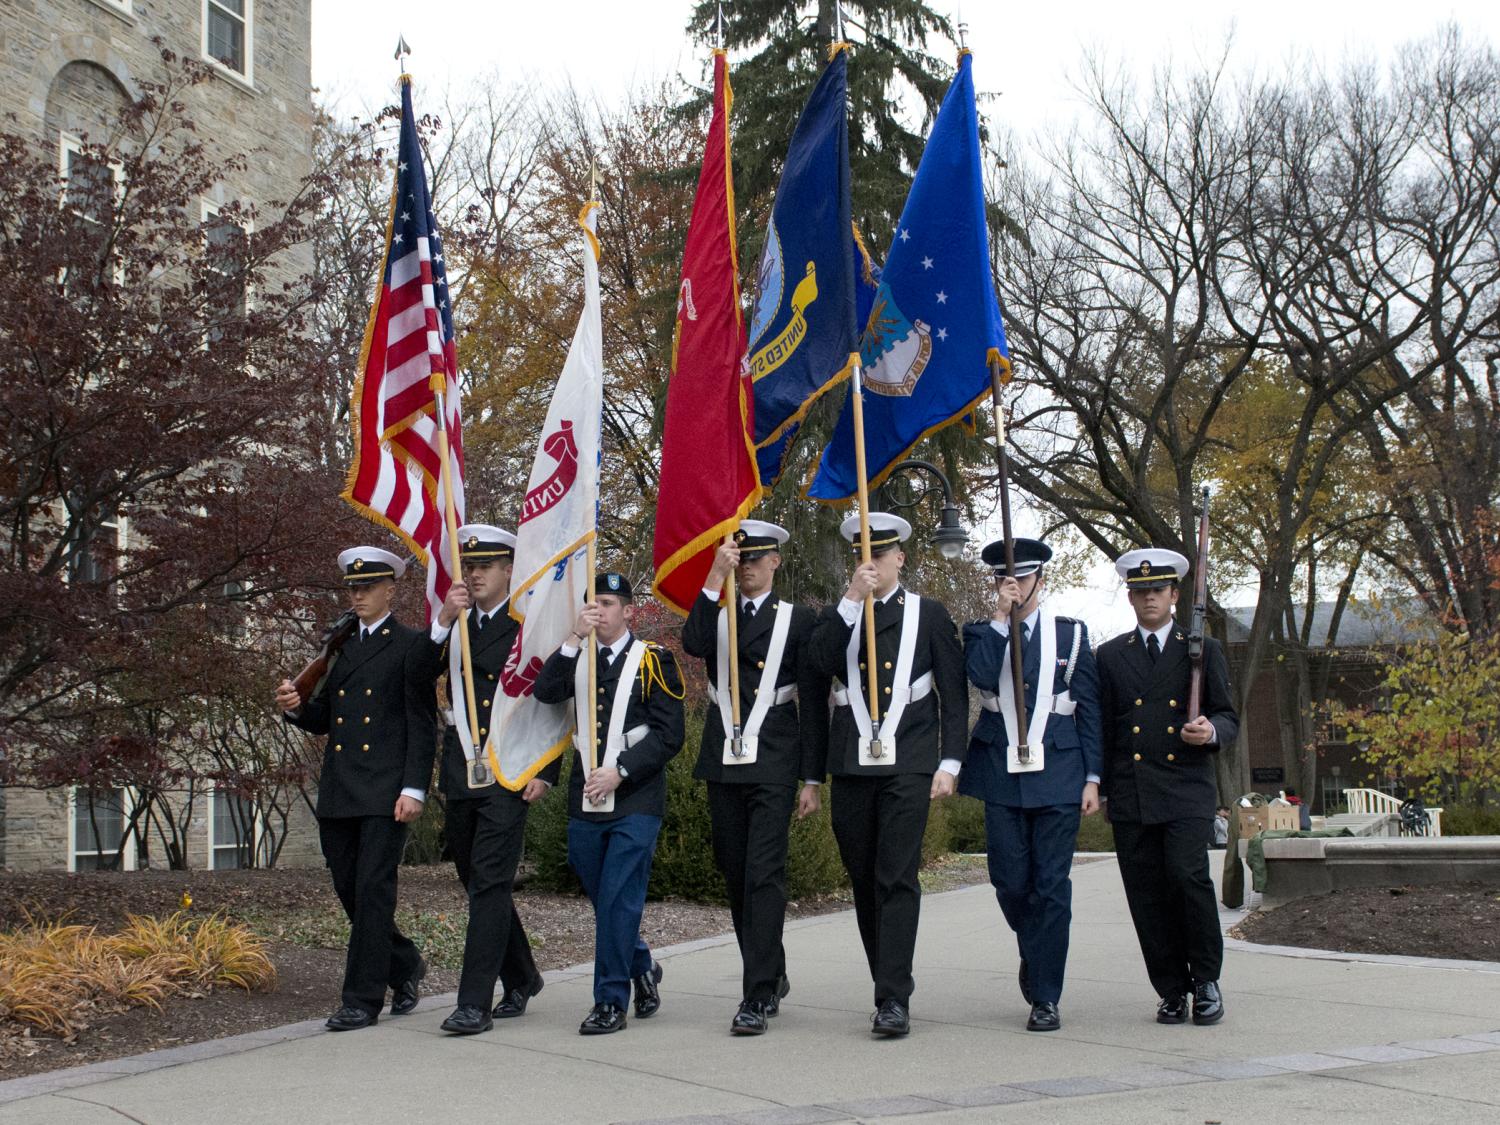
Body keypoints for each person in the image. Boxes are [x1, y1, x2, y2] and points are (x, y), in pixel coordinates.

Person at [807, 513, 967, 1038]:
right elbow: (818, 665)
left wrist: (950, 762)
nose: (871, 563)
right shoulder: (840, 614)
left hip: (909, 761)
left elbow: (953, 693)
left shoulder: (929, 614)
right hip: (853, 761)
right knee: (862, 876)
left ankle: (893, 996)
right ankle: (886, 979)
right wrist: (852, 599)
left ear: (900, 557)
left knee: (896, 876)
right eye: (862, 555)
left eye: (880, 554)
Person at [275, 546, 435, 1032]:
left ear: (391, 590)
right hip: (341, 789)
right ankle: (404, 965)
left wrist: (415, 788)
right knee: (350, 889)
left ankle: (362, 1000)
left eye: (368, 587)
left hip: (386, 792)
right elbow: (325, 719)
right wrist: (295, 707)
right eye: (353, 588)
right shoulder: (340, 649)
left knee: (372, 892)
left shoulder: (410, 645)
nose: (359, 595)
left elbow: (421, 723)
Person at [681, 521, 829, 1036]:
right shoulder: (716, 611)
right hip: (724, 756)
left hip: (775, 756)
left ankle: (757, 993)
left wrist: (812, 777)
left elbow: (813, 700)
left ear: (775, 563)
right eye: (739, 559)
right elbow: (692, 643)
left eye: (754, 559)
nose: (746, 567)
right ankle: (773, 969)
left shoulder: (798, 619)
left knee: (764, 873)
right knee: (736, 872)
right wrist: (711, 576)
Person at [958, 537, 1103, 1033]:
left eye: (1021, 578)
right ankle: (1035, 949)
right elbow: (979, 677)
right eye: (1004, 579)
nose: (1013, 586)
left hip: (1060, 773)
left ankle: (1046, 996)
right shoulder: (981, 632)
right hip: (1000, 775)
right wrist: (1001, 619)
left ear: (1040, 579)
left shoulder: (1071, 635)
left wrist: (1093, 777)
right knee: (1011, 883)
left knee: (1051, 887)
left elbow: (1088, 708)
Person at [533, 572, 686, 1035]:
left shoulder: (653, 660)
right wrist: (572, 638)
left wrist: (621, 770)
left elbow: (669, 735)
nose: (598, 610)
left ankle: (609, 1002)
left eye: (607, 602)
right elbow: (545, 693)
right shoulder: (577, 656)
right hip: (586, 797)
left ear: (628, 611)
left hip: (636, 798)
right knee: (606, 899)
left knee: (619, 897)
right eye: (592, 603)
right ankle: (642, 964)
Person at [419, 524, 555, 1036]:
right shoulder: (453, 624)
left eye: (485, 566)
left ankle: (472, 1003)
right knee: (475, 881)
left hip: (510, 766)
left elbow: (549, 701)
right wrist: (441, 622)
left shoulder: (526, 625)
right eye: (470, 566)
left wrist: (545, 770)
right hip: (462, 766)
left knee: (491, 882)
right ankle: (521, 974)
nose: (474, 575)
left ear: (508, 571)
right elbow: (416, 677)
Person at [1096, 547, 1239, 1027]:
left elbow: (1228, 716)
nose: (1149, 598)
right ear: (1130, 598)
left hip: (1185, 788)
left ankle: (1206, 980)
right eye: (1140, 592)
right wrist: (1102, 787)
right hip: (1133, 791)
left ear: (1175, 595)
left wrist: (1210, 730)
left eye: (1157, 590)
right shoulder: (1110, 655)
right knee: (1146, 894)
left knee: (1188, 879)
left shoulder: (1202, 649)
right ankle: (1171, 989)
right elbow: (1105, 728)